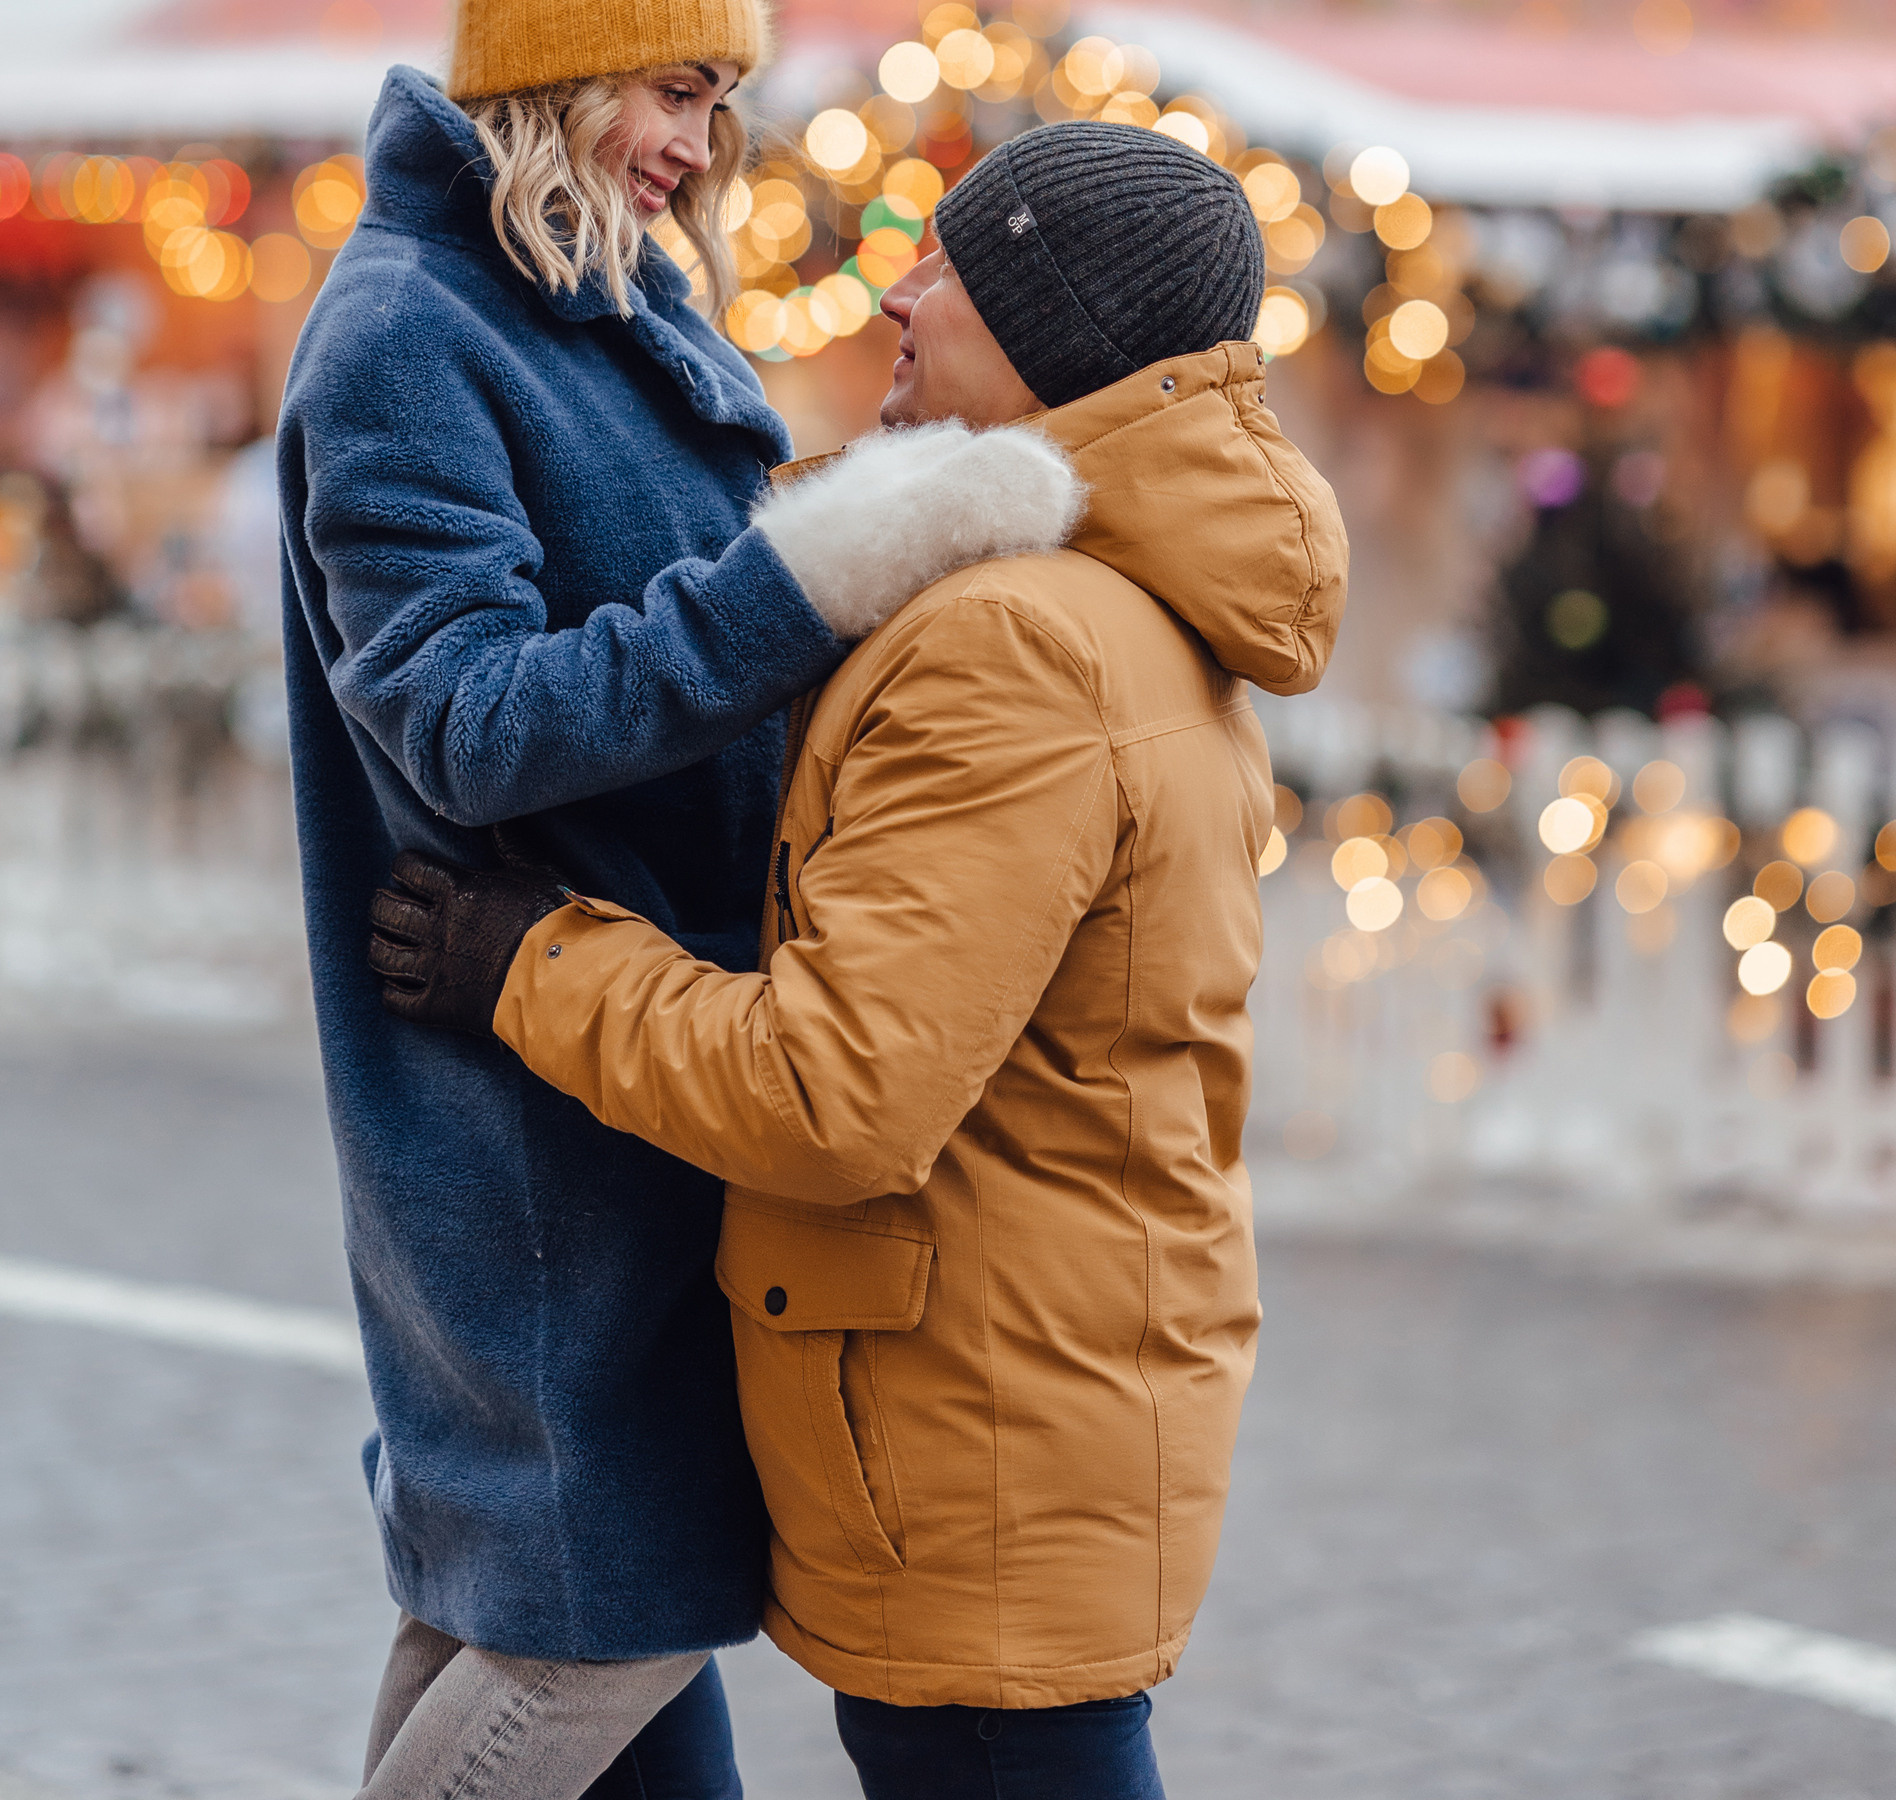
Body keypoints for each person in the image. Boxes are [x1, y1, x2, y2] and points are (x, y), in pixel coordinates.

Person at [366, 116, 1350, 1800]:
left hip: (983, 1440)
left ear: (1053, 337)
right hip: (1019, 1399)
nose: (900, 294)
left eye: (953, 272)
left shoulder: (1021, 638)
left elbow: (836, 1094)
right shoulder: (1090, 597)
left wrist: (528, 962)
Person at [279, 0, 1081, 1800]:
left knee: (533, 1614)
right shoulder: (403, 337)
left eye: (719, 97)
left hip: (648, 1075)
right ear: (551, 79)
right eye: (672, 88)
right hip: (528, 1119)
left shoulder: (600, 294)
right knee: (591, 1620)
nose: (701, 149)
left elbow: (680, 627)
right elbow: (466, 721)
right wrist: (819, 572)